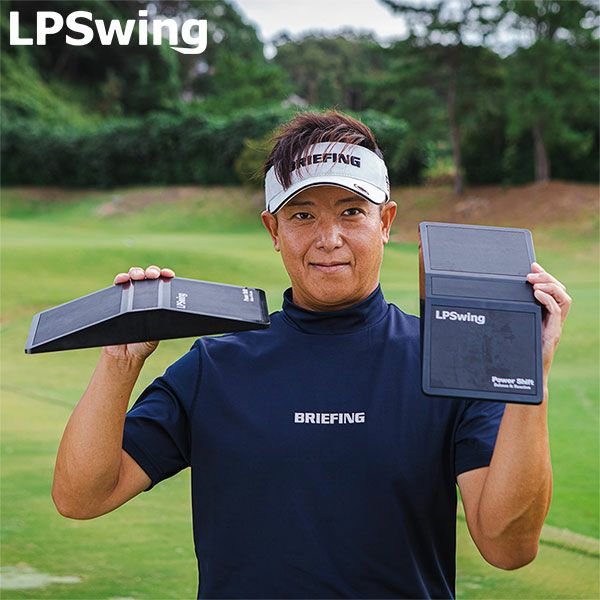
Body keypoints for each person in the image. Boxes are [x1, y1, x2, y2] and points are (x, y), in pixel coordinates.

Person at [52, 110, 572, 599]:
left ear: (386, 222)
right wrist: (120, 358)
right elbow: (81, 497)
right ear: (273, 230)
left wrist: (532, 372)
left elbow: (508, 547)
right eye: (303, 215)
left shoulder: (448, 360)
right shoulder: (215, 365)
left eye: (352, 212)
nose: (329, 239)